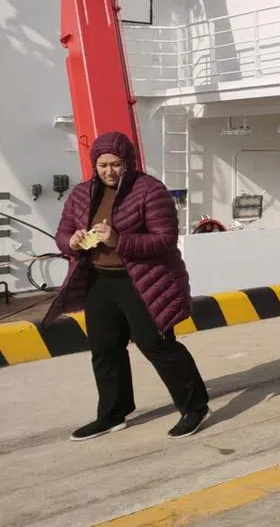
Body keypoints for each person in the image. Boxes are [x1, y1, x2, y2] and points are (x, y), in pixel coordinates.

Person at [44, 131, 210, 441]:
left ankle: (195, 407)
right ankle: (112, 414)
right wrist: (72, 241)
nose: (109, 171)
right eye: (103, 164)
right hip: (99, 280)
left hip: (143, 281)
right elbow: (63, 233)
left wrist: (118, 240)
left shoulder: (150, 190)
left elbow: (164, 239)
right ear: (95, 164)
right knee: (104, 349)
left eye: (116, 164)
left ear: (128, 162)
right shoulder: (81, 193)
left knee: (156, 345)